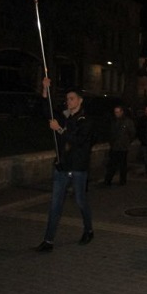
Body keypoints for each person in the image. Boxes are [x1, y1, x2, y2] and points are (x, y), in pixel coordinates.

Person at [35, 78, 95, 252]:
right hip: (62, 165)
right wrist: (45, 91)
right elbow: (47, 112)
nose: (68, 102)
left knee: (80, 201)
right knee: (55, 204)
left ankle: (89, 230)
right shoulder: (65, 115)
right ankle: (48, 241)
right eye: (67, 99)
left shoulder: (86, 119)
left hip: (78, 167)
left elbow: (79, 140)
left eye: (72, 99)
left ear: (80, 100)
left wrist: (59, 129)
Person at [103, 105, 136, 186]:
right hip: (114, 146)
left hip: (123, 147)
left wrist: (126, 142)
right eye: (115, 112)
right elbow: (110, 133)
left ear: (122, 112)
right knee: (112, 164)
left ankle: (122, 180)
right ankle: (108, 181)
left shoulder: (128, 122)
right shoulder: (113, 121)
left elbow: (132, 133)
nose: (116, 114)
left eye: (118, 112)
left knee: (122, 165)